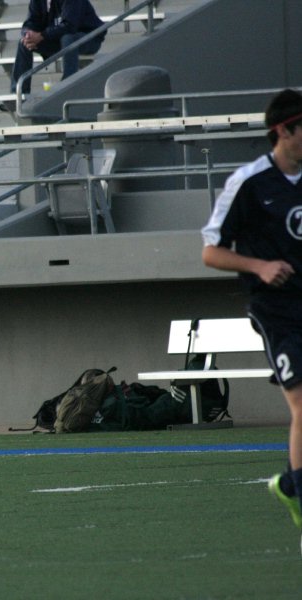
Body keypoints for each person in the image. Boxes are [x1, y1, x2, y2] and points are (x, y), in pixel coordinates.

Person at [200, 88, 302, 551]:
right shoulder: (250, 181)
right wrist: (259, 266)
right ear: (284, 131)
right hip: (276, 310)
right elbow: (210, 251)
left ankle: (291, 485)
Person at [8, 0, 105, 97]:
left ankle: (68, 84)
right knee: (24, 43)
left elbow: (70, 26)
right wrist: (28, 34)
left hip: (89, 37)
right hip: (58, 38)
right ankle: (18, 93)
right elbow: (30, 22)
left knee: (68, 38)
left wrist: (42, 35)